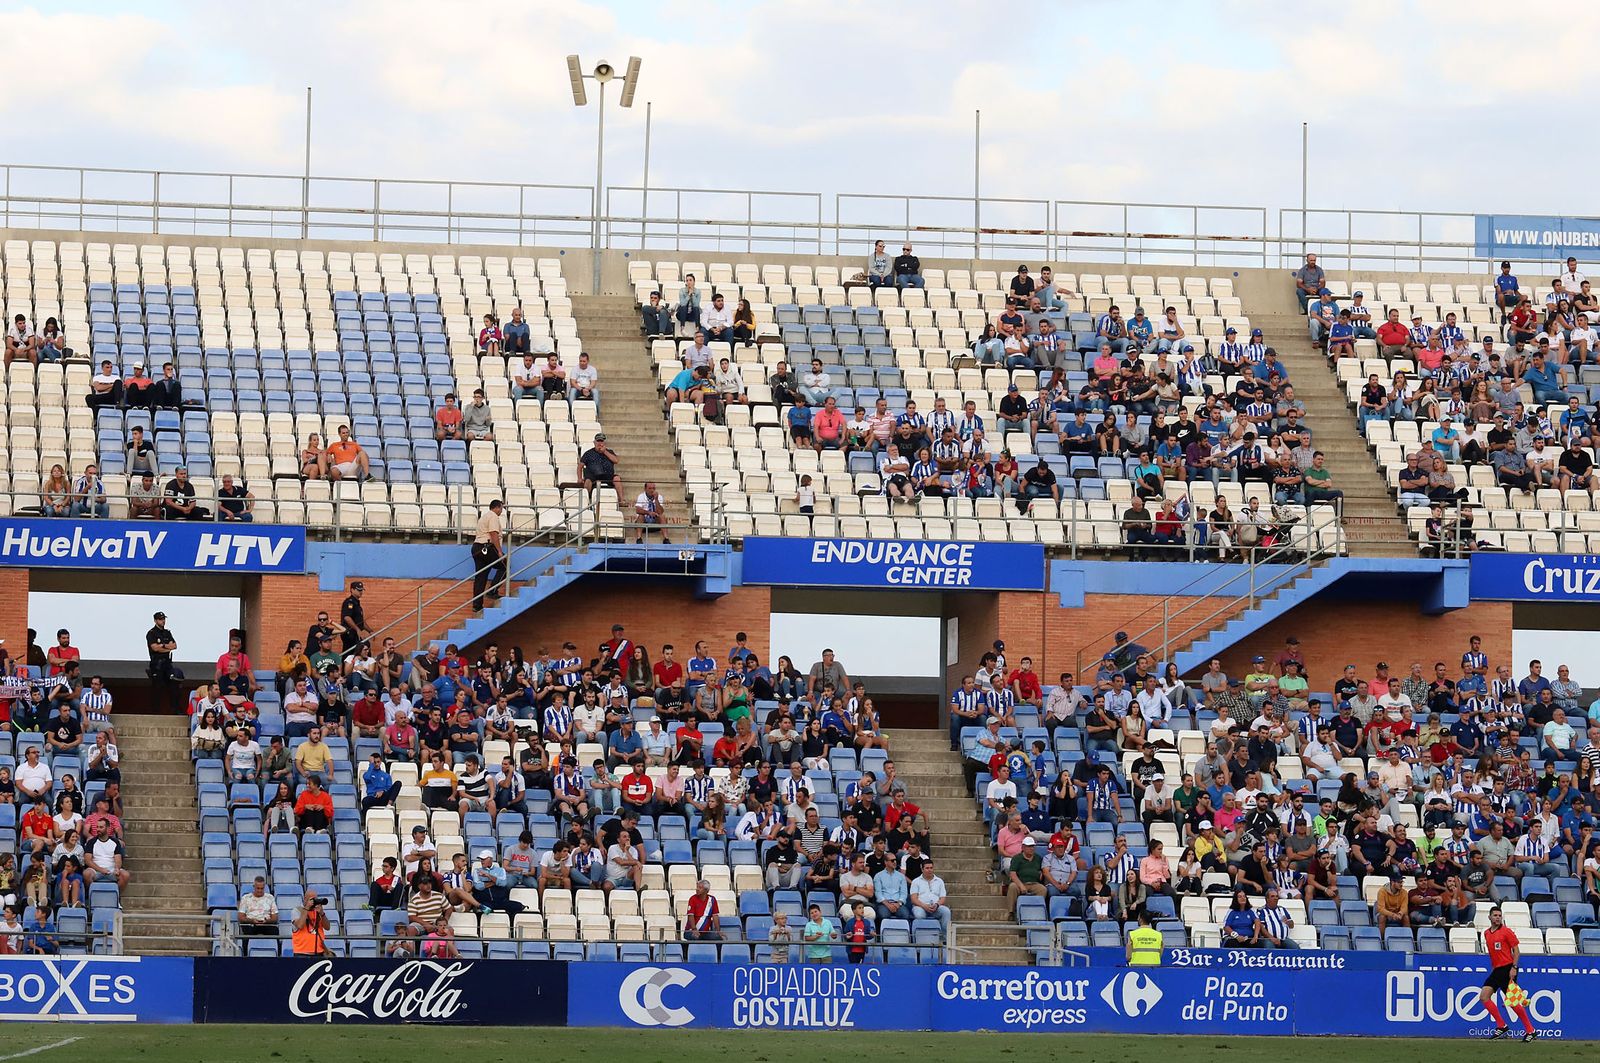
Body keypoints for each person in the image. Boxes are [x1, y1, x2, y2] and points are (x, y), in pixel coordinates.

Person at [1481, 906, 1537, 1040]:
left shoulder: (1506, 932)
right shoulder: (1486, 933)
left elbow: (1516, 951)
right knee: (1484, 997)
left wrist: (1514, 967)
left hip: (1508, 969)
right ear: (1489, 917)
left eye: (1499, 915)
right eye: (1495, 915)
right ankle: (1501, 1025)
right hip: (1497, 970)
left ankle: (1530, 1030)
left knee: (1512, 1002)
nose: (1497, 918)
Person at [470, 499, 506, 613]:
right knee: (505, 566)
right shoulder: (493, 516)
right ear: (497, 507)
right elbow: (493, 533)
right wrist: (499, 551)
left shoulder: (484, 517)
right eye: (501, 508)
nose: (501, 511)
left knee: (481, 577)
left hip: (477, 547)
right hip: (487, 547)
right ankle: (492, 591)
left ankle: (477, 605)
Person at [146, 611, 179, 712]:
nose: (163, 621)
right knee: (157, 688)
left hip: (167, 663)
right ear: (155, 620)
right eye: (160, 619)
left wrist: (162, 647)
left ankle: (175, 709)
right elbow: (154, 648)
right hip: (157, 664)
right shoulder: (151, 633)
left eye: (164, 619)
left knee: (174, 685)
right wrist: (165, 646)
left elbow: (174, 646)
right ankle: (155, 711)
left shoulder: (167, 632)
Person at [580, 433, 622, 502]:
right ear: (594, 442)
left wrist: (604, 452)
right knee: (587, 481)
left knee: (617, 478)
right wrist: (579, 478)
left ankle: (621, 500)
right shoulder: (588, 453)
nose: (600, 443)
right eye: (598, 441)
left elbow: (616, 460)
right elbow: (580, 466)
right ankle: (586, 500)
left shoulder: (609, 452)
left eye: (601, 441)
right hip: (593, 475)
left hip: (607, 475)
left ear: (604, 442)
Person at [291, 889, 330, 955]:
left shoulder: (318, 911)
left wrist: (322, 913)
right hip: (302, 952)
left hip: (319, 952)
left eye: (315, 899)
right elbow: (300, 925)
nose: (314, 901)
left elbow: (327, 927)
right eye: (312, 899)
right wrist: (306, 908)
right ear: (305, 899)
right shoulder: (297, 910)